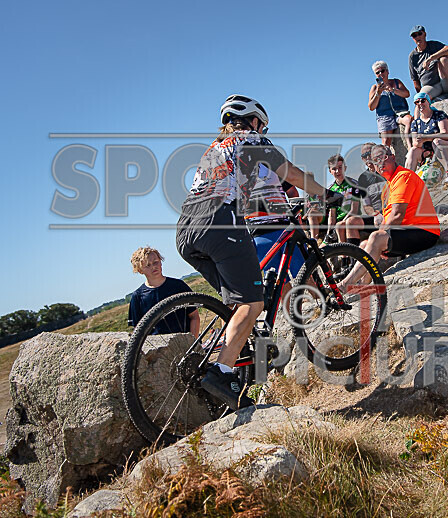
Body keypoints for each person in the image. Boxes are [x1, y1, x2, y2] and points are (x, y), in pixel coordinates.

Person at [176, 94, 342, 409]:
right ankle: (222, 372)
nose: (263, 130)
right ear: (254, 121)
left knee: (236, 304)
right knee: (252, 304)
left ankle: (236, 370)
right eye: (262, 125)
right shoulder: (252, 140)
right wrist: (327, 194)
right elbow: (291, 174)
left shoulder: (215, 148)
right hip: (220, 222)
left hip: (186, 228)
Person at [341, 144, 440, 287]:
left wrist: (382, 238)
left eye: (383, 157)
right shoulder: (389, 185)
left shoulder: (403, 176)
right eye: (375, 161)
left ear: (393, 157)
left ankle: (345, 284)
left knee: (376, 238)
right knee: (365, 245)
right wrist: (381, 241)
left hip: (425, 232)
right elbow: (387, 215)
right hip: (407, 231)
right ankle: (362, 287)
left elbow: (397, 215)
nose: (380, 163)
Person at [127, 247, 199, 336]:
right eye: (148, 265)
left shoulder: (178, 285)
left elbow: (194, 316)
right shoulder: (138, 296)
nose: (153, 267)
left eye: (155, 262)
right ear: (140, 270)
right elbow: (138, 331)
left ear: (161, 262)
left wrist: (193, 341)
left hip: (185, 340)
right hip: (156, 344)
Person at [341, 143, 386, 247]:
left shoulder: (386, 170)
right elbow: (367, 205)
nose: (368, 158)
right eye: (364, 156)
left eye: (369, 154)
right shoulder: (363, 178)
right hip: (375, 217)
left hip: (390, 213)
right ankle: (353, 255)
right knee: (351, 222)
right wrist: (376, 214)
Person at [405, 92, 448, 174]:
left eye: (423, 100)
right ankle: (407, 177)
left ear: (428, 102)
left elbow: (446, 134)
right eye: (417, 102)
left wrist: (426, 138)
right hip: (430, 153)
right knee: (413, 151)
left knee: (437, 142)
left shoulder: (439, 115)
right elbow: (415, 143)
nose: (420, 103)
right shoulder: (415, 123)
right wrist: (419, 142)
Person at [408, 25, 448, 102]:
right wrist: (420, 94)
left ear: (424, 34)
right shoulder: (412, 56)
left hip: (446, 82)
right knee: (420, 99)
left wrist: (430, 58)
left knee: (444, 59)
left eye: (419, 34)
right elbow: (415, 79)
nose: (417, 37)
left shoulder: (434, 45)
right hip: (431, 86)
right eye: (414, 35)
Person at [368, 61, 413, 154]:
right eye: (377, 72)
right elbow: (371, 107)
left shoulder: (396, 82)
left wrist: (392, 90)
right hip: (384, 116)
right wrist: (378, 93)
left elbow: (407, 94)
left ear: (387, 71)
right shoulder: (374, 88)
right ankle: (386, 158)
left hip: (400, 112)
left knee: (409, 120)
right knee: (386, 141)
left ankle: (410, 148)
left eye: (382, 71)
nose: (381, 74)